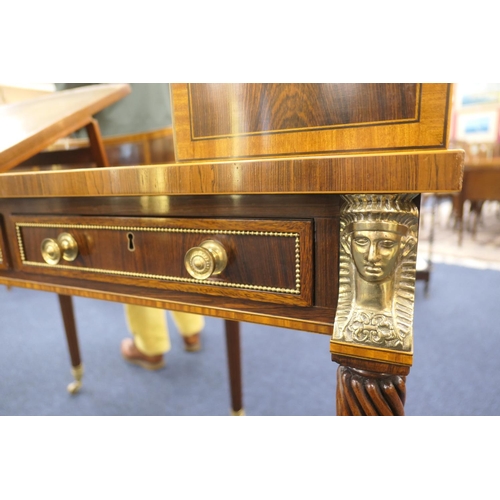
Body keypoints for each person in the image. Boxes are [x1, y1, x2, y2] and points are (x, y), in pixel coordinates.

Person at [56, 83, 205, 370]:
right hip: (170, 132)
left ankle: (151, 345)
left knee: (133, 248)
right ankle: (191, 326)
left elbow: (69, 100)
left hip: (117, 145)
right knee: (174, 234)